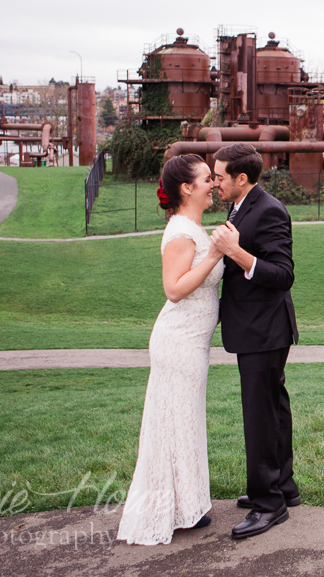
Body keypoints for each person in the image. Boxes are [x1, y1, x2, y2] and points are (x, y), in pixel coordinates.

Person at [117, 154, 225, 545]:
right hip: (178, 341)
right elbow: (174, 289)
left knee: (185, 421)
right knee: (175, 422)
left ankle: (187, 506)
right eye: (207, 179)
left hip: (193, 342)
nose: (214, 184)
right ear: (187, 188)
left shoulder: (192, 226)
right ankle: (170, 509)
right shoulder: (181, 232)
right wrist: (214, 254)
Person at [210, 143, 300, 540]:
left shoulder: (270, 210)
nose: (214, 183)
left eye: (219, 177)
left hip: (265, 330)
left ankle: (269, 504)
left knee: (260, 415)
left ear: (241, 179)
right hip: (255, 327)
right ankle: (284, 486)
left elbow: (283, 275)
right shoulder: (241, 205)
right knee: (274, 407)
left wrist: (238, 254)